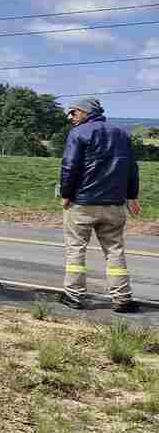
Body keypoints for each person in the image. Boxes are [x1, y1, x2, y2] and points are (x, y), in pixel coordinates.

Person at [59, 97, 141, 313]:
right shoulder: (122, 134)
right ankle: (122, 299)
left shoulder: (79, 133)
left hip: (83, 204)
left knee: (75, 249)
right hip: (114, 204)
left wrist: (66, 194)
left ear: (86, 113)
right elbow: (132, 167)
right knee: (115, 250)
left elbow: (70, 166)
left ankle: (73, 296)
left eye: (73, 112)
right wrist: (132, 196)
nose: (70, 117)